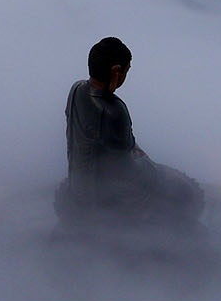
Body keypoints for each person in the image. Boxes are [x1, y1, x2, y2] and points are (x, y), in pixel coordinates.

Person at [59, 36, 205, 229]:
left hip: (79, 186)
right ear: (116, 72)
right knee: (183, 192)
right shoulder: (113, 110)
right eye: (126, 71)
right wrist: (156, 171)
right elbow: (126, 169)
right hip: (106, 201)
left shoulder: (76, 89)